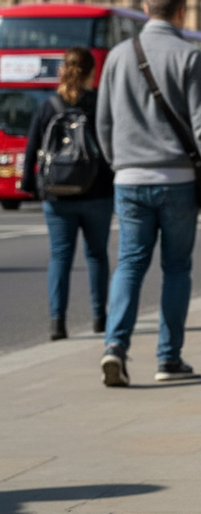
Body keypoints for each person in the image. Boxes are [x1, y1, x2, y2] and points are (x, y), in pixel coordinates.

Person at [96, 0, 201, 387]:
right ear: (182, 12)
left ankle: (114, 346)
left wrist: (119, 163)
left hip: (129, 179)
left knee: (130, 264)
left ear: (144, 8)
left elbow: (102, 122)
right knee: (176, 267)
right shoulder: (189, 55)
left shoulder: (118, 56)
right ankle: (167, 358)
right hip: (176, 179)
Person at [22, 48, 114, 340]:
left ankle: (57, 323)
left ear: (62, 70)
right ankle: (100, 317)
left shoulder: (49, 105)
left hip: (58, 194)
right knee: (97, 255)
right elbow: (111, 146)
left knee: (60, 256)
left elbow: (32, 147)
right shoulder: (99, 103)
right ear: (91, 73)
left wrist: (30, 185)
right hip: (97, 192)